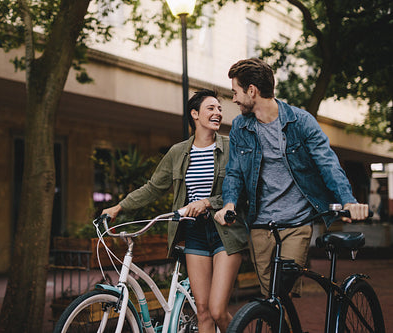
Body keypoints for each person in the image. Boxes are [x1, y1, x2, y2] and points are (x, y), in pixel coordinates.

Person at [214, 58, 369, 297]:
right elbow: (234, 172)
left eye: (235, 92)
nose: (233, 99)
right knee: (269, 299)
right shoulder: (240, 127)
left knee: (282, 293)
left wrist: (347, 200)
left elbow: (327, 162)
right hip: (259, 224)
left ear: (252, 91)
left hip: (296, 223)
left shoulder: (300, 121)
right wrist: (229, 204)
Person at [102, 89, 247, 332]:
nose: (217, 113)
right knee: (202, 312)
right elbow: (152, 188)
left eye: (219, 109)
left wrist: (208, 202)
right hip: (194, 233)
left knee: (218, 310)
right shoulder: (178, 152)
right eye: (211, 108)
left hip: (225, 232)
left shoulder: (231, 147)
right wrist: (119, 207)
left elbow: (242, 191)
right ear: (195, 114)